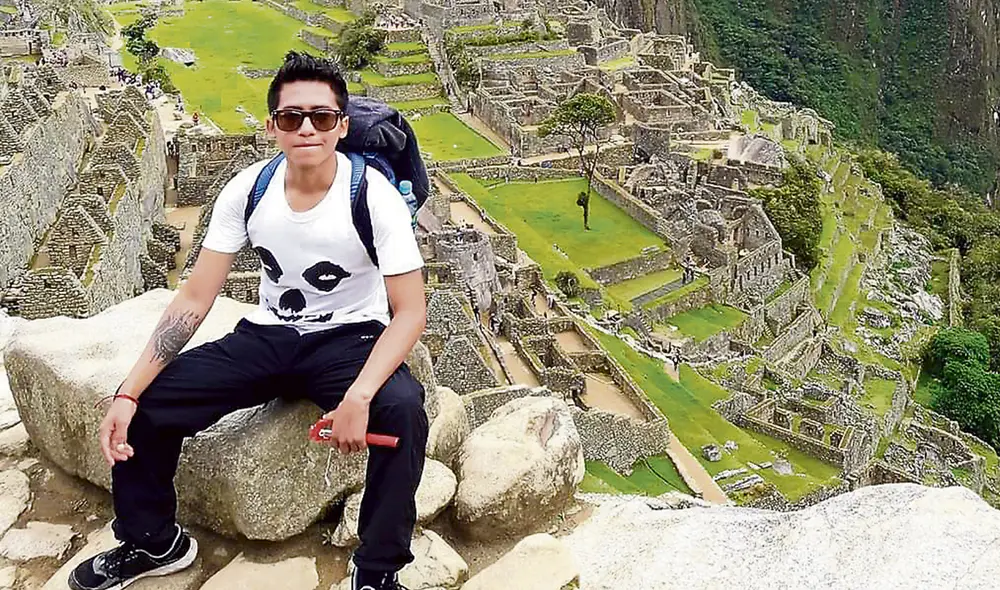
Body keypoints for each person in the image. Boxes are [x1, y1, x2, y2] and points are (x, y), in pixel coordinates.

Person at [69, 51, 428, 590]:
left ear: (342, 125)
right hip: (268, 335)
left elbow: (409, 311)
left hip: (349, 336)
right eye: (291, 117)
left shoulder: (373, 196)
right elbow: (195, 297)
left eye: (322, 117)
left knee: (402, 412)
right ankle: (152, 541)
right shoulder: (249, 189)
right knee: (148, 408)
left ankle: (376, 569)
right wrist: (128, 391)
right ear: (272, 127)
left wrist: (358, 398)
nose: (306, 128)